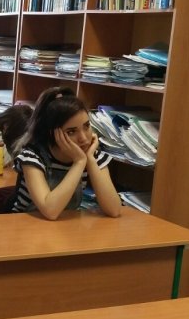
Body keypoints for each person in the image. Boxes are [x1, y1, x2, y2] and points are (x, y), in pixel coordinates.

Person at [10, 87, 121, 220]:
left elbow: (114, 210)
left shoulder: (92, 154)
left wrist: (90, 160)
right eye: (71, 132)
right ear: (53, 133)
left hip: (65, 227)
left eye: (86, 126)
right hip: (25, 225)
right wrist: (79, 162)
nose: (83, 138)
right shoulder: (33, 157)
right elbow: (50, 211)